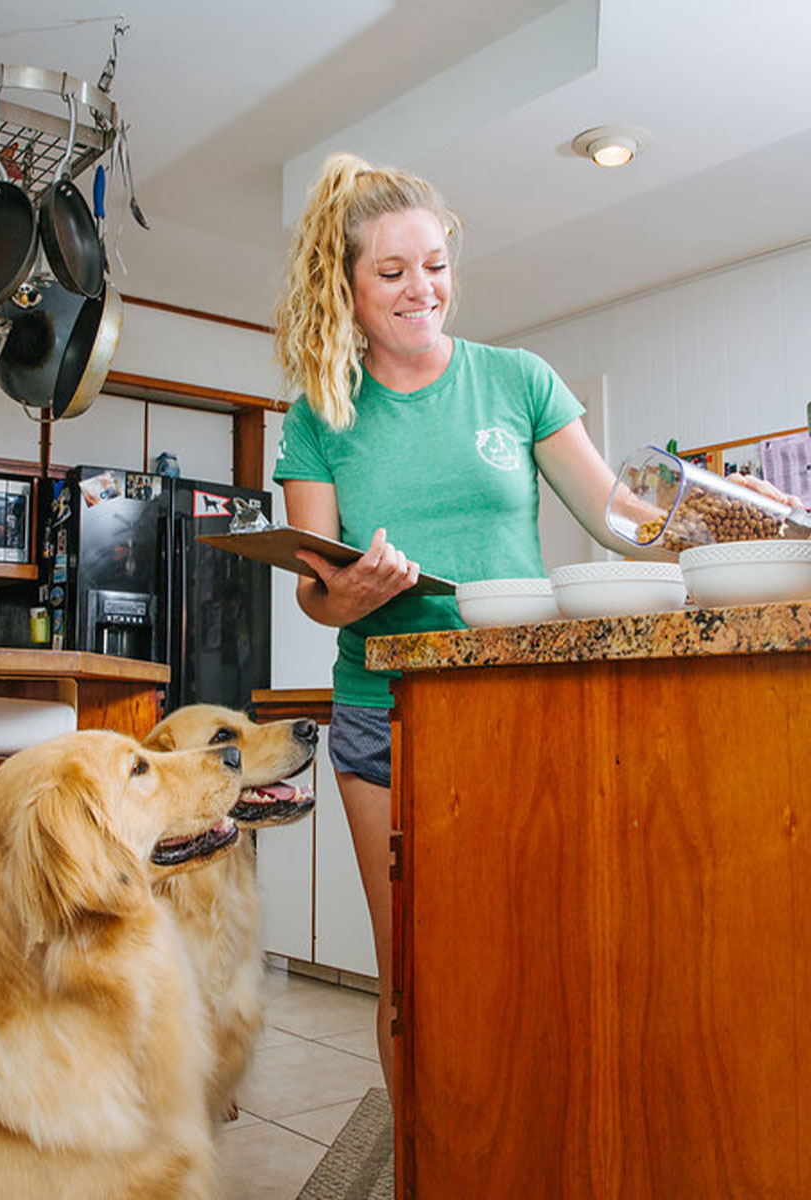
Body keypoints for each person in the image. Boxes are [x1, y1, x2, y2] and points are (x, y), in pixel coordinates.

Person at [270, 152, 799, 1098]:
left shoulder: (516, 381)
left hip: (514, 702)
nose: (421, 288)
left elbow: (618, 518)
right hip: (380, 713)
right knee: (415, 979)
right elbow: (316, 586)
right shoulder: (320, 414)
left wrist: (729, 516)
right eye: (391, 272)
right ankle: (422, 1162)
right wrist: (350, 595)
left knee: (528, 960)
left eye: (434, 264)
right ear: (346, 284)